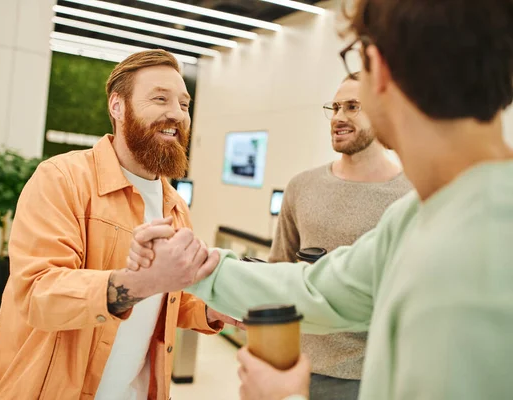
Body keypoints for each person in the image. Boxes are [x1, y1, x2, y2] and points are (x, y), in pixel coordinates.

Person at [130, 0, 513, 399]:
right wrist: (191, 268)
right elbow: (317, 290)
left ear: (377, 68)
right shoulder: (417, 217)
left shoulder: (481, 249)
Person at [0, 49, 239, 400]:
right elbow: (38, 293)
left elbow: (169, 300)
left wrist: (214, 309)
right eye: (160, 99)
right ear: (117, 107)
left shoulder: (176, 207)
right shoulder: (62, 179)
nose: (176, 114)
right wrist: (140, 281)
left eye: (184, 104)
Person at [269, 73, 411, 399]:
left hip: (372, 378)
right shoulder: (301, 187)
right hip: (297, 369)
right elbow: (278, 272)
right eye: (334, 108)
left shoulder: (409, 196)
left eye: (352, 107)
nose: (338, 118)